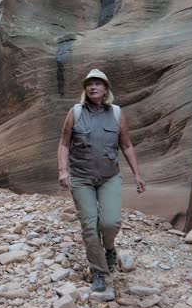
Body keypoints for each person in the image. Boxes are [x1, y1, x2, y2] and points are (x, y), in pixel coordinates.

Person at [57, 69, 146, 292]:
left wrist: (137, 174)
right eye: (89, 84)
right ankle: (99, 271)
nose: (93, 87)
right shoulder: (75, 112)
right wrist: (63, 170)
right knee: (89, 225)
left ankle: (109, 247)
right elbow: (64, 144)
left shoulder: (116, 113)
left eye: (98, 83)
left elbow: (126, 145)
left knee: (110, 222)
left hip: (109, 177)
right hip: (81, 178)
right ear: (85, 89)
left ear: (106, 89)